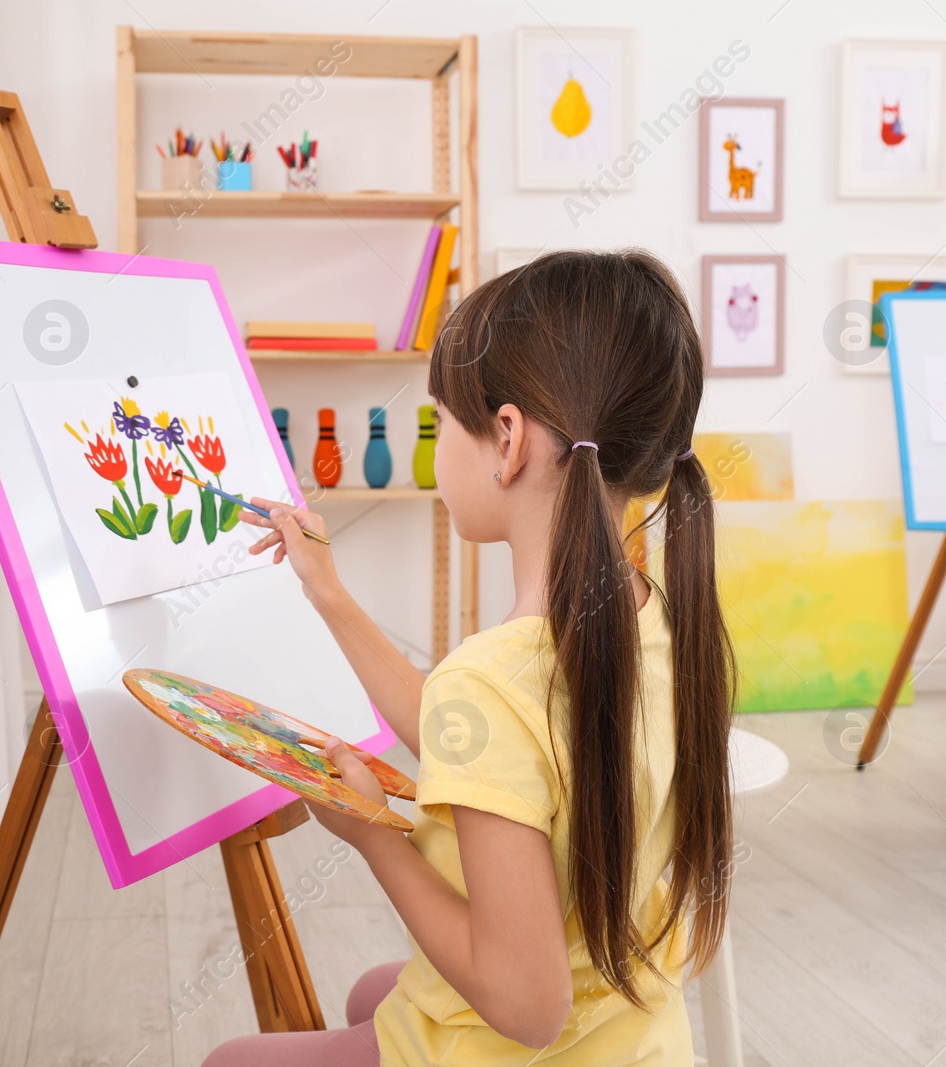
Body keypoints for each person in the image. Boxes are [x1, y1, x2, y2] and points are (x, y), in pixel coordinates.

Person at [205, 251, 735, 1065]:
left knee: (227, 1061)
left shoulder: (496, 675)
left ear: (509, 439)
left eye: (443, 419)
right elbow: (475, 743)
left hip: (532, 1043)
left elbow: (526, 1006)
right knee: (370, 992)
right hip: (632, 1030)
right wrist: (330, 592)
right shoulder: (654, 618)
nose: (440, 439)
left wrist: (372, 834)